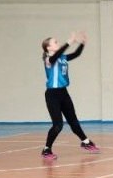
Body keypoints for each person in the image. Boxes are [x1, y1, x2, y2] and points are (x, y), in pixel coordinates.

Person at [41, 31, 99, 160]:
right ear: (48, 47)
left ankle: (86, 142)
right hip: (52, 94)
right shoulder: (48, 60)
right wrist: (69, 42)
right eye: (55, 42)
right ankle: (46, 150)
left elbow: (76, 54)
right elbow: (56, 56)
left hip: (63, 93)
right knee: (58, 125)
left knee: (73, 121)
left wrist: (82, 44)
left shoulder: (62, 58)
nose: (57, 43)